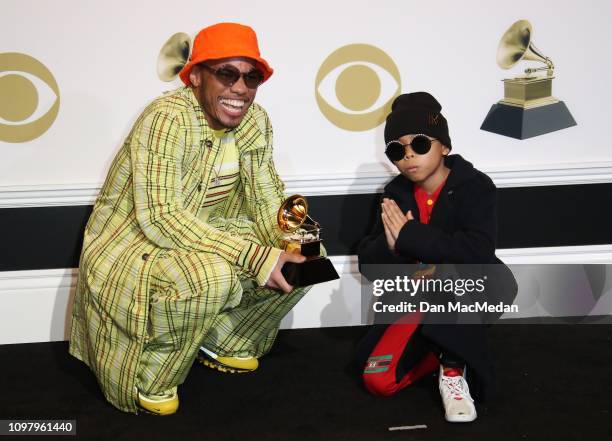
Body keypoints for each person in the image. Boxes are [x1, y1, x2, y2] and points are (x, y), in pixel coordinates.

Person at [69, 22, 310, 415]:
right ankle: (147, 380)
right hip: (137, 241)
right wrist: (255, 257)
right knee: (209, 276)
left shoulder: (256, 120)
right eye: (227, 73)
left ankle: (222, 340)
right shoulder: (167, 118)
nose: (240, 88)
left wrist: (300, 242)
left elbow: (268, 198)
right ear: (196, 76)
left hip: (208, 235)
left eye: (252, 77)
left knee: (311, 259)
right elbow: (162, 218)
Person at [356, 92, 517, 423]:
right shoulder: (395, 194)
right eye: (397, 149)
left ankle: (453, 367)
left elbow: (479, 250)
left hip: (465, 290)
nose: (409, 155)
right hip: (415, 298)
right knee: (378, 380)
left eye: (419, 143)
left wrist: (411, 238)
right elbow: (369, 267)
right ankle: (438, 348)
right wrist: (390, 246)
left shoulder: (475, 186)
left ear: (444, 145)